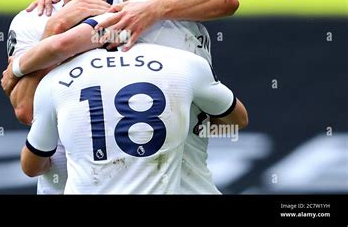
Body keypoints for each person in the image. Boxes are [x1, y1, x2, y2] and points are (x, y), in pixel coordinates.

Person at [5, 0, 239, 194]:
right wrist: (55, 29)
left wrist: (154, 10)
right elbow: (26, 110)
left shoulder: (134, 1)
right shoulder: (33, 20)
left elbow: (226, 1)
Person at [20, 43, 248, 194]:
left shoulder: (56, 80)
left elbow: (31, 166)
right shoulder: (185, 63)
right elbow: (238, 121)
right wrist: (192, 127)